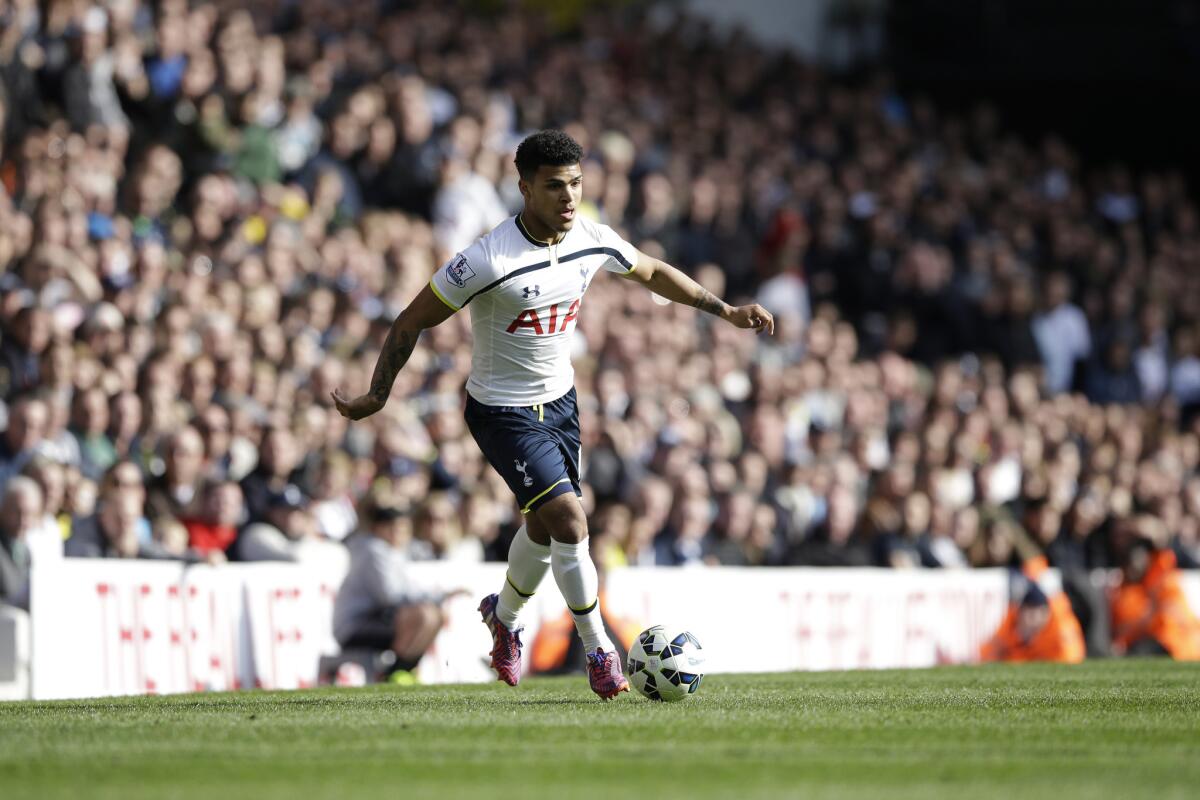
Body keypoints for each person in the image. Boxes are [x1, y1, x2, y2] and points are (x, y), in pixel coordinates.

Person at [333, 129, 774, 700]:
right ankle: (599, 650)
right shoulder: (487, 258)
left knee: (541, 532)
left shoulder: (591, 237)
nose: (569, 197)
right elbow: (410, 321)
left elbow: (652, 271)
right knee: (571, 521)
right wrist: (378, 393)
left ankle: (505, 617)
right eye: (554, 187)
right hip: (501, 410)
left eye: (575, 184)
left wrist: (726, 310)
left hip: (562, 404)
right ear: (524, 188)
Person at [333, 501, 457, 674]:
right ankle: (396, 673)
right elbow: (391, 596)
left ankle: (401, 671)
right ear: (378, 528)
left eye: (405, 529)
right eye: (396, 528)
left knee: (433, 616)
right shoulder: (373, 551)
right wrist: (437, 596)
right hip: (355, 626)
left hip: (373, 619)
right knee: (424, 616)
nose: (402, 534)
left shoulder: (390, 552)